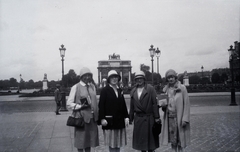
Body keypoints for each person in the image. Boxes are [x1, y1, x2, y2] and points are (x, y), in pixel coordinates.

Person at [67, 67, 99, 152]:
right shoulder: (76, 87)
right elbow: (69, 103)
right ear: (81, 76)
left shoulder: (92, 86)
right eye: (85, 75)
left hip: (92, 119)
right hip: (81, 118)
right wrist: (80, 106)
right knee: (80, 141)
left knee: (90, 142)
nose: (88, 77)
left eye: (89, 75)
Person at [129, 71, 160, 152]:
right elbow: (132, 106)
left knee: (150, 144)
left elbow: (154, 103)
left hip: (149, 118)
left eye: (141, 78)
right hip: (138, 119)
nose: (139, 80)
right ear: (135, 80)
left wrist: (157, 117)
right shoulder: (133, 91)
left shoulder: (150, 89)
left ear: (144, 79)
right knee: (141, 144)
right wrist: (130, 118)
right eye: (137, 79)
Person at [98, 70, 129, 152]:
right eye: (112, 77)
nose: (114, 79)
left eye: (116, 77)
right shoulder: (105, 90)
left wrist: (126, 117)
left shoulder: (119, 90)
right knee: (112, 144)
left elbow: (123, 105)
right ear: (109, 79)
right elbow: (101, 105)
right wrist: (102, 118)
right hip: (109, 121)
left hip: (119, 121)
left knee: (118, 143)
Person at [160, 69, 190, 152]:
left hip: (180, 118)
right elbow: (164, 106)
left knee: (180, 141)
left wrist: (185, 119)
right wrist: (163, 106)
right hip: (170, 119)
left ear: (175, 77)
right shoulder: (166, 90)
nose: (170, 79)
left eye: (172, 77)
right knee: (173, 142)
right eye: (168, 78)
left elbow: (186, 104)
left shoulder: (182, 88)